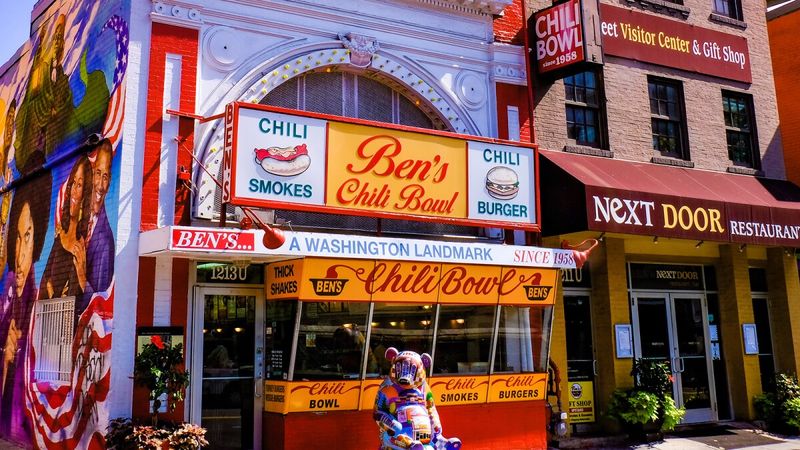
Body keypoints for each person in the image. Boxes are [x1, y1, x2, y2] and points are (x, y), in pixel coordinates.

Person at [0, 154, 51, 442]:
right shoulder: (6, 288)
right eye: (17, 237)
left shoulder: (38, 298)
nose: (20, 254)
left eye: (28, 236)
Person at [40, 156, 92, 306]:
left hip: (69, 326)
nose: (74, 190)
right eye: (73, 183)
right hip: (49, 322)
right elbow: (45, 280)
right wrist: (52, 295)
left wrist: (82, 274)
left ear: (85, 193)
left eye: (80, 185)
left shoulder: (82, 245)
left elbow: (85, 301)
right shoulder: (59, 236)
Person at [85, 139, 114, 295]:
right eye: (98, 173)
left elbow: (97, 299)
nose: (101, 185)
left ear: (109, 182)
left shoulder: (106, 242)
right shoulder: (77, 217)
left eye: (105, 177)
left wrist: (80, 278)